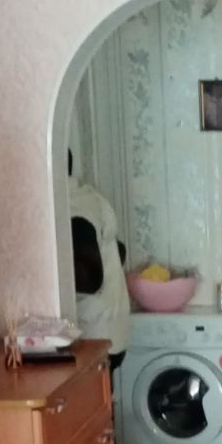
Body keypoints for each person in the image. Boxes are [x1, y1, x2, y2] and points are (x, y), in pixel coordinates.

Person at [68, 149, 130, 365]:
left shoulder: (73, 206)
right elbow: (119, 250)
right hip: (110, 329)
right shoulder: (88, 196)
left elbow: (90, 277)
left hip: (93, 335)